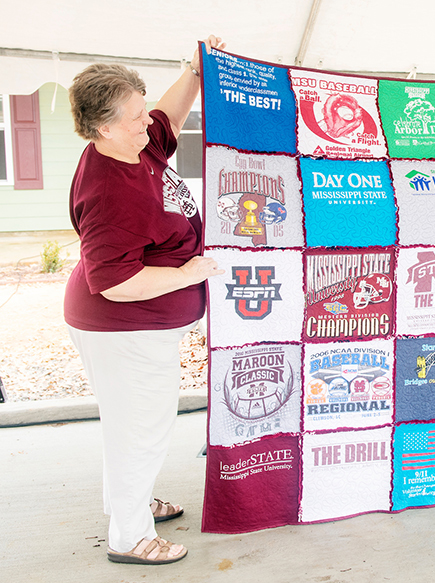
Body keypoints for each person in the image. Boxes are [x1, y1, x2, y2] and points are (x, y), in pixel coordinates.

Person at [65, 36, 226, 565]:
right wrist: (187, 273)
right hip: (122, 325)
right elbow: (113, 282)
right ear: (101, 127)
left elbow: (168, 117)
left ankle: (128, 504)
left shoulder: (134, 142)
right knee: (142, 429)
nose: (145, 122)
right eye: (133, 117)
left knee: (127, 423)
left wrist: (194, 70)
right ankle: (129, 538)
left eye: (140, 109)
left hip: (137, 324)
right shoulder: (110, 189)